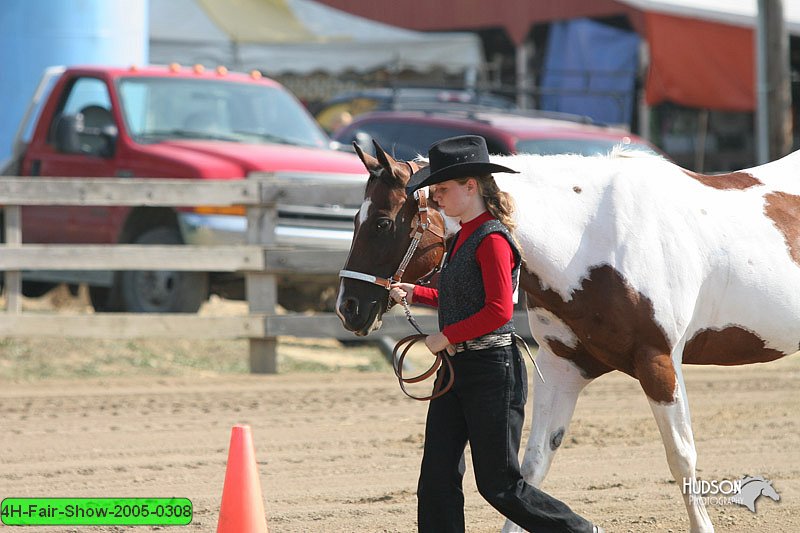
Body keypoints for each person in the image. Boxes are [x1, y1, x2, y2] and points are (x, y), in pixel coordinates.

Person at [390, 135, 601, 533]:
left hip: (492, 372)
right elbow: (463, 297)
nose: (437, 199)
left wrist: (446, 337)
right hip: (459, 370)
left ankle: (580, 531)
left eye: (443, 189)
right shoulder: (464, 236)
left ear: (471, 187)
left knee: (499, 485)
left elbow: (499, 310)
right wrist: (415, 292)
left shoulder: (492, 239)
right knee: (436, 475)